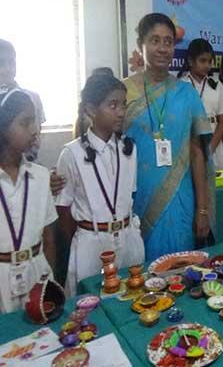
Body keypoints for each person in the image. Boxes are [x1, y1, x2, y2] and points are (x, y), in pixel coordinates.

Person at [123, 13, 215, 261]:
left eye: (168, 42)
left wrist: (202, 209)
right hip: (136, 200)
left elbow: (198, 153)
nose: (163, 48)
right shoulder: (124, 92)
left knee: (181, 273)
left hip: (181, 199)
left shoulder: (186, 93)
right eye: (155, 41)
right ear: (140, 45)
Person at [55, 74, 144, 296]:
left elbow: (129, 195)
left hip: (127, 238)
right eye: (112, 105)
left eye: (123, 104)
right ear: (91, 110)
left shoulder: (129, 150)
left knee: (131, 299)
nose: (121, 112)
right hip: (91, 243)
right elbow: (63, 211)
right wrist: (83, 237)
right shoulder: (72, 154)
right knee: (90, 305)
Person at [0, 89, 56, 313]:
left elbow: (49, 237)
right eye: (25, 122)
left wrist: (50, 281)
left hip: (37, 271)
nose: (34, 129)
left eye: (34, 121)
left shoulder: (41, 176)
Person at [178, 39, 223, 169]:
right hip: (190, 142)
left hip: (214, 142)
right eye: (202, 60)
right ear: (190, 61)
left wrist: (210, 148)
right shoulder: (180, 85)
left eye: (210, 61)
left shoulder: (217, 86)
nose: (207, 65)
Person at [0, 39, 46, 161]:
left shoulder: (32, 99)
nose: (7, 69)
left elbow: (36, 138)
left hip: (28, 167)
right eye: (1, 63)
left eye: (11, 62)